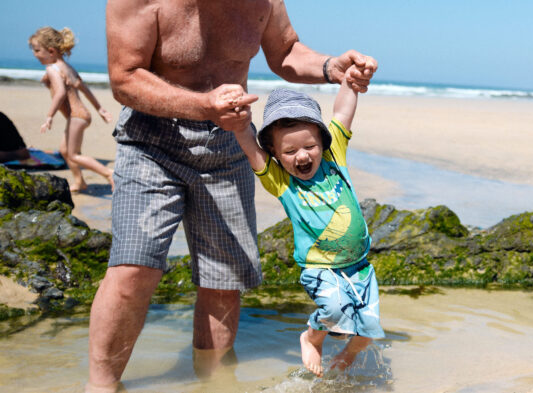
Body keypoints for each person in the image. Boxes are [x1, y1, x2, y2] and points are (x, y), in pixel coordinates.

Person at [86, 1, 377, 391]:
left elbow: (286, 52)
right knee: (135, 268)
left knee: (224, 279)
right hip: (151, 142)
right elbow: (124, 78)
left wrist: (330, 68)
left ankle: (213, 382)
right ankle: (102, 386)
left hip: (230, 142)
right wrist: (202, 105)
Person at [228, 66, 384, 377]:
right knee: (335, 311)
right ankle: (311, 338)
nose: (302, 156)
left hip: (360, 266)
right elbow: (249, 146)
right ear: (274, 153)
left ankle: (347, 356)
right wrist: (238, 124)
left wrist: (349, 83)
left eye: (309, 146)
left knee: (369, 331)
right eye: (289, 150)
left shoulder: (334, 159)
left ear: (323, 144)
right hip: (320, 268)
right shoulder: (281, 182)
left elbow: (342, 113)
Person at [29, 27, 114, 192]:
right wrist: (100, 108)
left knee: (73, 154)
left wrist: (49, 116)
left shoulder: (52, 69)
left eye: (37, 50)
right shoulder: (66, 67)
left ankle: (109, 173)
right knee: (65, 150)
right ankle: (79, 181)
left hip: (76, 116)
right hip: (80, 115)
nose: (35, 54)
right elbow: (82, 87)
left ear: (51, 51)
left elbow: (60, 93)